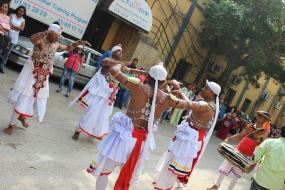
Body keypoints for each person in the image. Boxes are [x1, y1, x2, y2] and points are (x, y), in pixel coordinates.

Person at [86, 63, 202, 190]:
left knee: (103, 171)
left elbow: (114, 69)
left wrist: (129, 68)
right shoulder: (168, 98)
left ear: (148, 76)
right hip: (141, 143)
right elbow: (191, 105)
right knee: (127, 174)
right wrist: (177, 90)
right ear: (164, 81)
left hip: (123, 137)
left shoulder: (137, 86)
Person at [4, 23, 90, 135]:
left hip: (43, 77)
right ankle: (11, 125)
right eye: (57, 34)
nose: (59, 37)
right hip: (32, 74)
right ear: (50, 32)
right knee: (23, 97)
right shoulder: (41, 41)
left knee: (33, 99)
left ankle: (21, 116)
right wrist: (45, 33)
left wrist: (78, 43)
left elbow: (68, 48)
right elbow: (32, 39)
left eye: (60, 35)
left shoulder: (56, 45)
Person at [153, 80, 221, 190]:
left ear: (212, 94)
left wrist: (178, 90)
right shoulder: (208, 104)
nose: (202, 89)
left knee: (171, 169)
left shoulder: (206, 105)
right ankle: (173, 186)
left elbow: (188, 104)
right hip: (191, 138)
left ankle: (164, 187)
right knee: (172, 167)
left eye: (205, 88)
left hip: (190, 140)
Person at [70, 45, 132, 140]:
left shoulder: (121, 66)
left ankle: (97, 132)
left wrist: (143, 73)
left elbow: (131, 70)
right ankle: (78, 130)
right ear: (113, 53)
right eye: (118, 51)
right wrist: (121, 63)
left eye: (121, 51)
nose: (121, 53)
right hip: (99, 92)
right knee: (90, 112)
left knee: (103, 115)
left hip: (109, 95)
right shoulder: (107, 60)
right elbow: (105, 62)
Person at [207, 110, 271, 190]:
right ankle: (216, 184)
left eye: (261, 117)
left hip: (247, 156)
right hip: (237, 150)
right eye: (258, 116)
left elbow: (263, 147)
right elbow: (240, 135)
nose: (258, 118)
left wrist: (257, 160)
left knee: (236, 176)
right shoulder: (250, 126)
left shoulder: (265, 133)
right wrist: (228, 139)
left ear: (265, 120)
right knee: (225, 167)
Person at [249, 125, 285, 190]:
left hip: (261, 179)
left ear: (281, 132)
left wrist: (256, 161)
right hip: (276, 185)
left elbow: (256, 155)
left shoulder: (270, 142)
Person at [0, 5, 25, 75]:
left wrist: (13, 26)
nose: (20, 12)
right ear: (17, 10)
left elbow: (22, 28)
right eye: (19, 10)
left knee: (7, 53)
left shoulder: (23, 20)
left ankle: (1, 67)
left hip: (14, 39)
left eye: (22, 11)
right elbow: (8, 24)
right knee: (1, 50)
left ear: (23, 13)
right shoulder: (12, 15)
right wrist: (16, 28)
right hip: (6, 36)